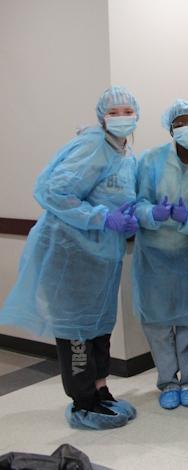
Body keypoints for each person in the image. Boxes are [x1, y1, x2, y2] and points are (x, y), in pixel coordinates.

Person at [0, 86, 140, 430]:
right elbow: (52, 191)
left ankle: (100, 390)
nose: (122, 118)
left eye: (128, 112)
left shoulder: (123, 153)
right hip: (71, 255)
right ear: (101, 117)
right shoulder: (92, 146)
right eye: (115, 112)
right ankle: (82, 402)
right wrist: (103, 217)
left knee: (99, 327)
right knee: (77, 330)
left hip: (101, 259)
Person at [133, 99, 188, 410]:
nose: (186, 129)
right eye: (179, 124)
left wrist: (187, 219)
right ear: (170, 129)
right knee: (158, 323)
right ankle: (167, 381)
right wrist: (155, 212)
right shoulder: (150, 160)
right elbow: (136, 204)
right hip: (153, 256)